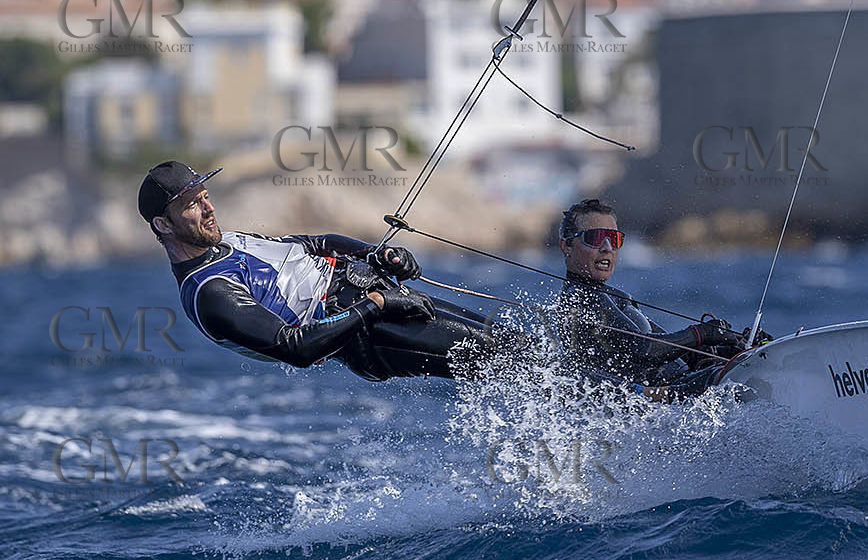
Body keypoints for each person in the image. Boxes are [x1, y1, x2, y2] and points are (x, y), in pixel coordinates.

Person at [141, 160, 493, 382]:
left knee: (512, 345)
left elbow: (314, 243)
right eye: (192, 205)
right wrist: (377, 305)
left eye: (206, 196)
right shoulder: (209, 292)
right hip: (369, 333)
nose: (209, 208)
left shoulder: (229, 241)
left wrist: (375, 253)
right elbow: (297, 348)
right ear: (164, 224)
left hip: (373, 294)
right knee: (502, 358)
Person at [553, 197, 758, 392]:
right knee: (735, 378)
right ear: (566, 246)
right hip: (662, 398)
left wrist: (729, 345)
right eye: (595, 238)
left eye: (614, 239)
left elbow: (665, 345)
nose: (607, 248)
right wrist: (701, 334)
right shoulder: (580, 298)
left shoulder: (613, 296)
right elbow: (645, 350)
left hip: (684, 382)